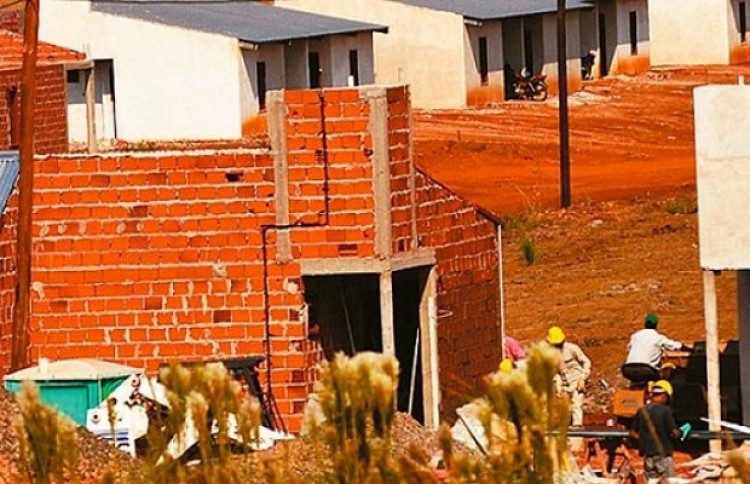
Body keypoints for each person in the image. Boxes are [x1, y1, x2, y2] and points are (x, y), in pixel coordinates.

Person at [630, 380, 685, 482]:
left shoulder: (642, 410)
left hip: (648, 456)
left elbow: (633, 433)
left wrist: (644, 441)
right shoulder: (665, 411)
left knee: (651, 481)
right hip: (663, 455)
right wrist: (682, 431)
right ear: (664, 396)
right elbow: (675, 433)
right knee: (669, 481)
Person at [544, 326, 591, 427]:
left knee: (577, 404)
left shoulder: (572, 349)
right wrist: (557, 385)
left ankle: (577, 427)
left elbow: (586, 362)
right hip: (563, 383)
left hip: (577, 380)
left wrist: (582, 378)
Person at [623, 313, 689, 383]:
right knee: (668, 373)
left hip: (627, 369)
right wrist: (690, 349)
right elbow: (677, 346)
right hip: (646, 370)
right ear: (656, 325)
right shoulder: (658, 338)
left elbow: (629, 348)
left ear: (645, 324)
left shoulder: (635, 336)